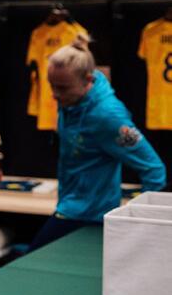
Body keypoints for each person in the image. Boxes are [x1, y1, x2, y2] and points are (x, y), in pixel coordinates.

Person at [29, 36, 166, 249]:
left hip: (91, 217)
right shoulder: (72, 100)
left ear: (88, 80)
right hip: (69, 206)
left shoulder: (108, 117)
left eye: (62, 88)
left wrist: (140, 224)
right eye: (52, 86)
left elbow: (154, 169)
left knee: (33, 260)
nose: (55, 95)